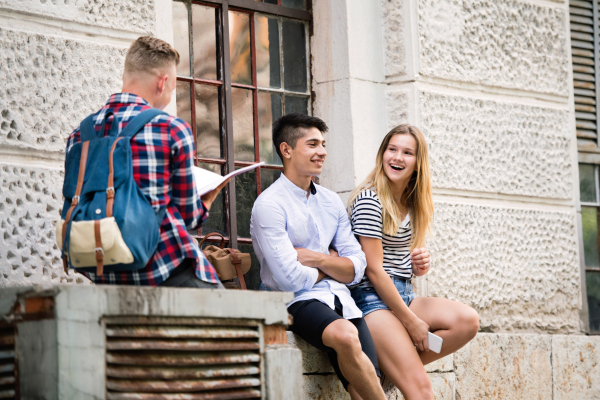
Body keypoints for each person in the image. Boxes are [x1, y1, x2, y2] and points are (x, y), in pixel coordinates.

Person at [65, 36, 228, 288]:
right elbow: (188, 216)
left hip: (103, 269)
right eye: (173, 88)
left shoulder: (79, 135)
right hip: (161, 266)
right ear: (163, 83)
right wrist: (206, 201)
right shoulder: (171, 129)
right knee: (228, 320)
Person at [251, 114, 386, 400]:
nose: (322, 151)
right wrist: (333, 263)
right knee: (346, 336)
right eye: (312, 144)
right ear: (286, 150)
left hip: (342, 301)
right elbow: (290, 278)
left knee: (365, 386)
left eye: (323, 144)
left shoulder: (330, 200)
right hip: (294, 302)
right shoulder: (269, 205)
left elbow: (357, 266)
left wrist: (317, 259)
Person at [347, 124, 479, 400]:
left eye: (407, 152)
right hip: (372, 299)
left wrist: (419, 266)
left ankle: (386, 370)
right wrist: (411, 322)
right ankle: (396, 370)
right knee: (421, 390)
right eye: (392, 149)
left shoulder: (413, 201)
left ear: (418, 163)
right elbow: (373, 269)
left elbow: (401, 261)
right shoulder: (371, 200)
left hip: (404, 293)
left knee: (467, 321)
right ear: (382, 153)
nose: (397, 157)